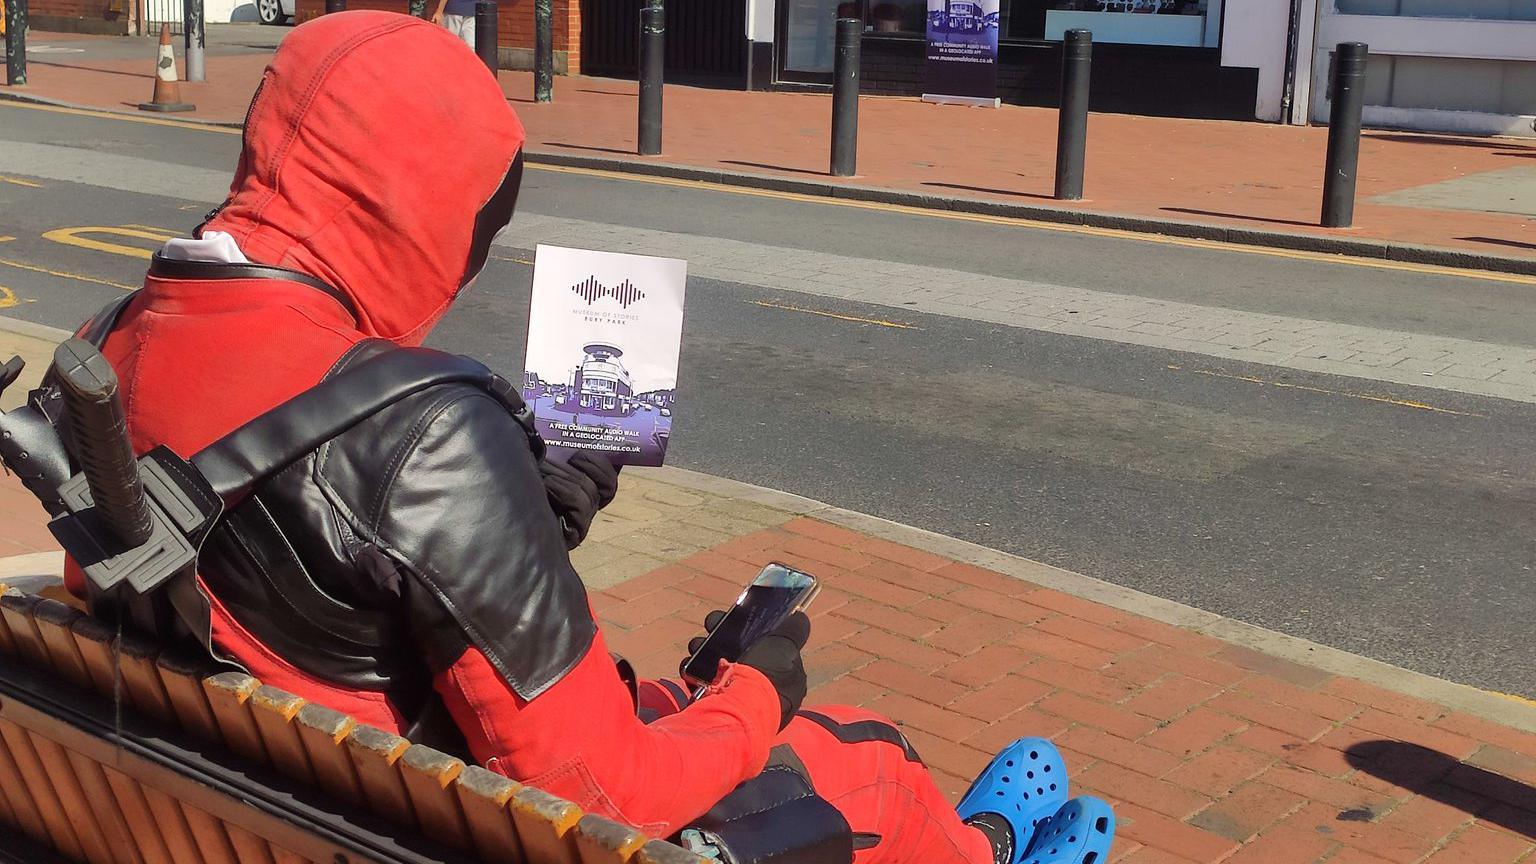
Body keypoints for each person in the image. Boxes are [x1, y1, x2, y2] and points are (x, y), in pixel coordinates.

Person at [56, 12, 1110, 864]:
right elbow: (601, 792)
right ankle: (987, 851)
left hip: (273, 789)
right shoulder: (418, 430)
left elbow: (313, 571)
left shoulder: (107, 351)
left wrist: (526, 516)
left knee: (691, 701)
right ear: (418, 208)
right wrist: (759, 693)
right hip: (457, 822)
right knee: (861, 758)